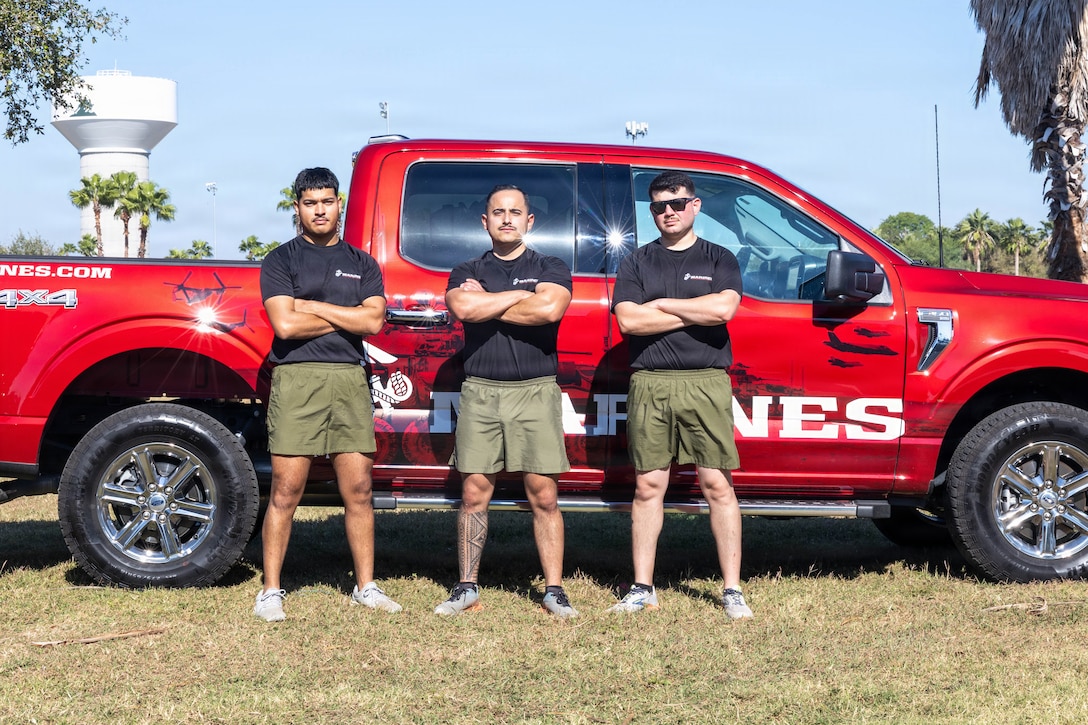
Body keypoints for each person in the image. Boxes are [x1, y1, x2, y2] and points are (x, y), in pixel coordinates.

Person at [253, 167, 401, 621]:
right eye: (311, 202)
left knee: (358, 489)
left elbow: (374, 322)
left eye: (328, 201)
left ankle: (366, 587)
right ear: (297, 208)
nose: (320, 209)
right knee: (286, 490)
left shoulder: (362, 263)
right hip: (298, 379)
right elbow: (285, 325)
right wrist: (347, 314)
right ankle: (271, 592)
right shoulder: (281, 260)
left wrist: (313, 305)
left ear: (340, 204)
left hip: (349, 379)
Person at [609, 170, 753, 619]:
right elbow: (629, 322)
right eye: (658, 206)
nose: (667, 212)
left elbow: (725, 308)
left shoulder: (719, 257)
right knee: (648, 485)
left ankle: (732, 590)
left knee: (716, 484)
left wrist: (664, 305)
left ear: (695, 206)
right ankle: (642, 587)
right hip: (650, 381)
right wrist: (696, 311)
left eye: (676, 203)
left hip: (706, 381)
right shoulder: (636, 261)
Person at [434, 184, 578, 619]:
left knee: (543, 493)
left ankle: (554, 589)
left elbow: (549, 311)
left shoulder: (551, 265)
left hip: (535, 389)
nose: (508, 219)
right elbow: (464, 309)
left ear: (529, 221)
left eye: (516, 212)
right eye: (499, 212)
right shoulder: (466, 269)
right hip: (481, 391)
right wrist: (522, 296)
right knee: (474, 491)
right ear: (485, 221)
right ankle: (467, 587)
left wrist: (492, 301)